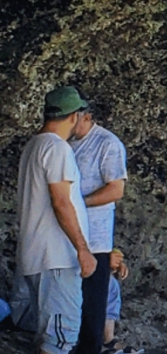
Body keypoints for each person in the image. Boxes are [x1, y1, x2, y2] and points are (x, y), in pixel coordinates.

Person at [10, 86, 97, 354]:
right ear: (74, 116)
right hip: (57, 258)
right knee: (60, 337)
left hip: (37, 255)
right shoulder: (57, 148)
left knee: (48, 333)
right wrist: (82, 249)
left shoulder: (34, 145)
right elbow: (61, 202)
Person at [71, 104, 132, 354]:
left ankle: (97, 345)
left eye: (73, 119)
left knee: (94, 303)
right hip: (67, 237)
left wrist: (76, 204)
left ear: (86, 117)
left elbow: (116, 190)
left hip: (95, 240)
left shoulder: (107, 143)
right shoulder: (63, 142)